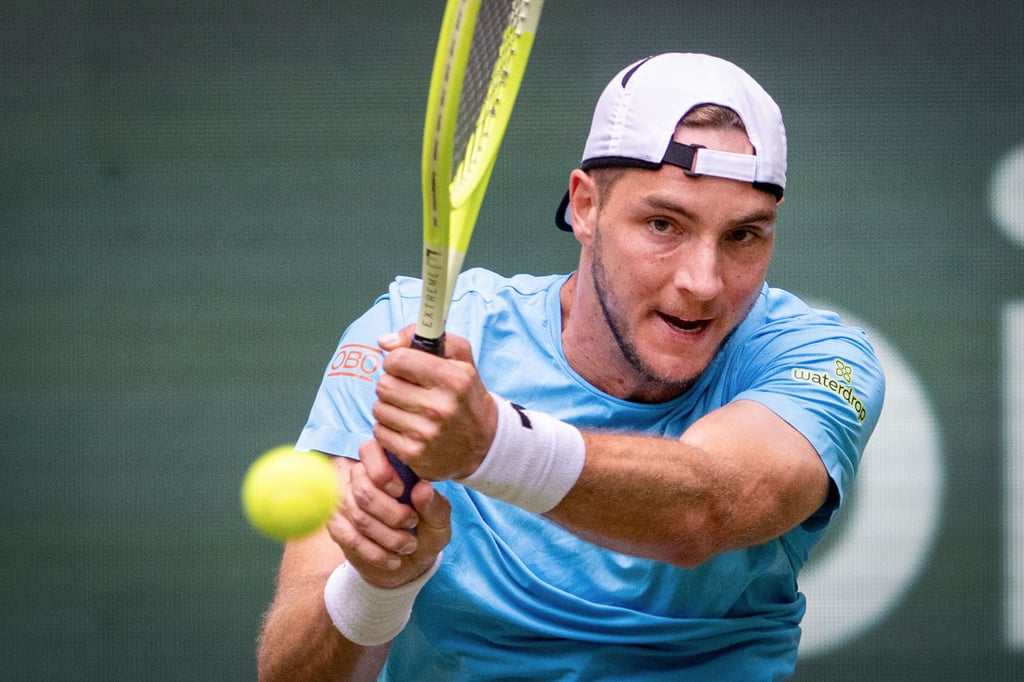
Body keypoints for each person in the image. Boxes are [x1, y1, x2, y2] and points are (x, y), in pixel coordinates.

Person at [256, 52, 885, 680]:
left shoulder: (819, 360)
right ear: (585, 207)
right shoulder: (412, 340)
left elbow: (706, 508)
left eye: (744, 236)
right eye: (664, 224)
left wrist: (489, 443)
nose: (703, 282)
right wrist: (377, 588)